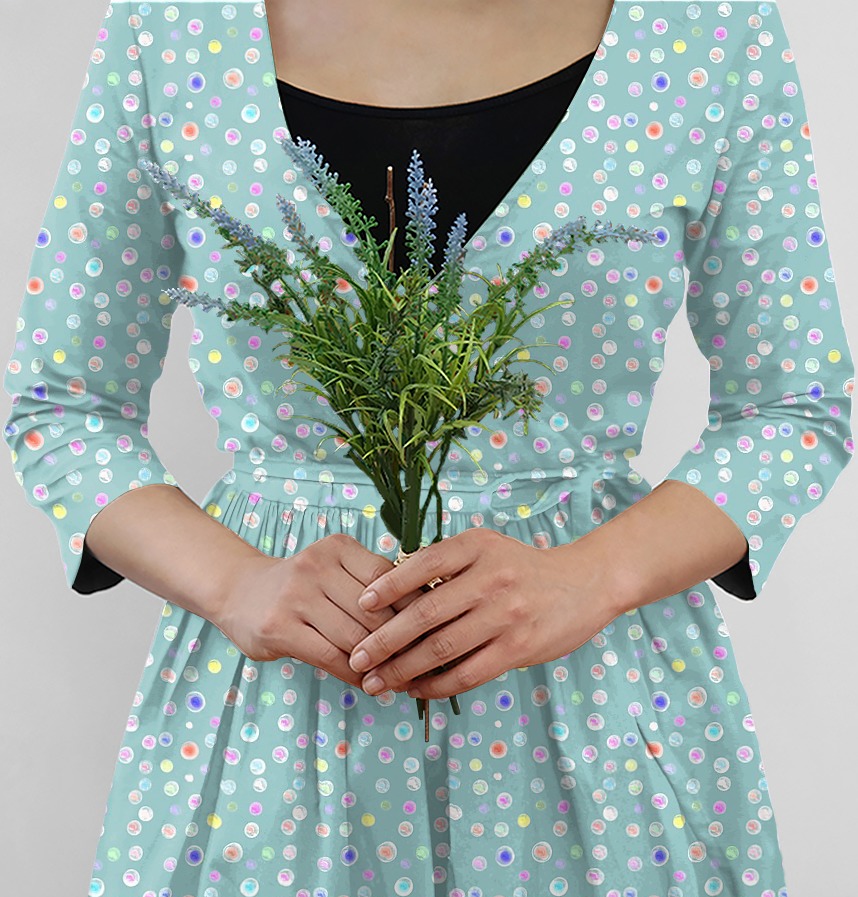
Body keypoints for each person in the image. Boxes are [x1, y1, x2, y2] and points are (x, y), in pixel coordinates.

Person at [2, 0, 853, 892]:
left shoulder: (707, 32)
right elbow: (64, 403)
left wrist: (592, 576)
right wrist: (234, 582)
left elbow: (793, 404)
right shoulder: (171, 28)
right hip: (276, 719)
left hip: (596, 712)